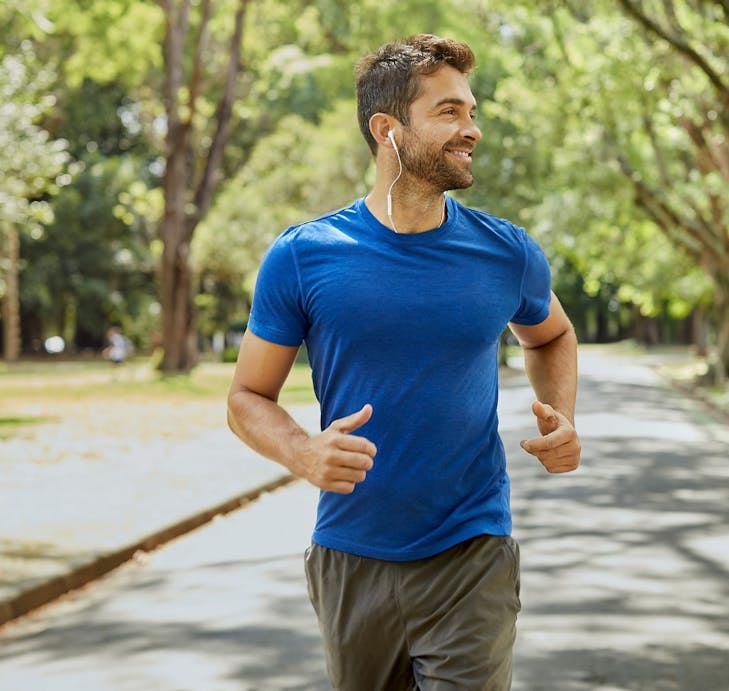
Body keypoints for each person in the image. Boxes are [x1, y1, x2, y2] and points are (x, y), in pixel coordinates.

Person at [227, 33, 580, 691]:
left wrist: (560, 414)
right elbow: (246, 396)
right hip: (351, 556)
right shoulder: (304, 256)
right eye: (449, 112)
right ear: (387, 130)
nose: (471, 129)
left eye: (472, 112)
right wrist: (302, 452)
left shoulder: (507, 252)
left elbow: (552, 336)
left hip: (472, 551)